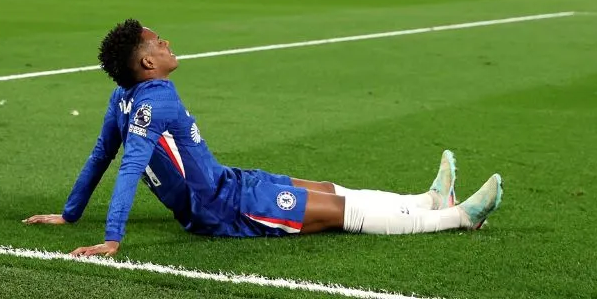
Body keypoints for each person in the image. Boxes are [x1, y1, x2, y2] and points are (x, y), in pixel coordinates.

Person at [25, 19, 503, 256]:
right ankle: (459, 218)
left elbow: (100, 157)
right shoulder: (158, 99)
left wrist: (70, 215)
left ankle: (428, 200)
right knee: (343, 214)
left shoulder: (123, 100)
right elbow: (127, 165)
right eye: (157, 42)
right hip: (225, 207)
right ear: (147, 62)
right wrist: (112, 239)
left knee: (326, 190)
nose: (166, 42)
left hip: (230, 183)